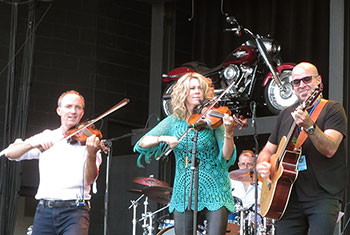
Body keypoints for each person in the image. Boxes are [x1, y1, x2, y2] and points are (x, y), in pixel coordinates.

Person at [134, 72, 241, 235]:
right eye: (192, 88)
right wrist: (162, 138)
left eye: (200, 88)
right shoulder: (173, 121)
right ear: (183, 93)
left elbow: (226, 156)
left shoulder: (213, 118)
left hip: (216, 187)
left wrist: (229, 131)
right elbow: (142, 143)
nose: (197, 91)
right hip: (184, 189)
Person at [256, 62, 347, 235]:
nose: (302, 85)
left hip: (322, 195)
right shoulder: (285, 115)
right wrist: (263, 164)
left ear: (319, 81)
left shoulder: (332, 109)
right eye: (296, 82)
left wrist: (309, 126)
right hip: (287, 197)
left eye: (306, 79)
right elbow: (267, 151)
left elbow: (330, 148)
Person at [4, 90, 103, 235]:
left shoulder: (89, 141)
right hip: (45, 211)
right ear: (59, 110)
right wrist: (32, 144)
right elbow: (10, 154)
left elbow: (90, 179)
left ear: (82, 113)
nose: (73, 111)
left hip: (75, 212)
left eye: (78, 107)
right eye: (68, 106)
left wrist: (91, 153)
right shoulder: (47, 136)